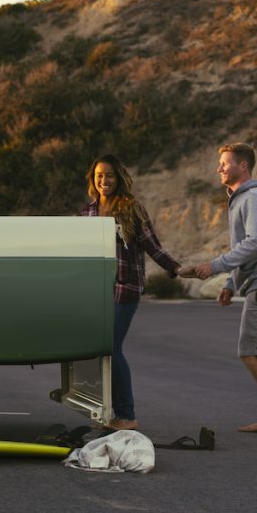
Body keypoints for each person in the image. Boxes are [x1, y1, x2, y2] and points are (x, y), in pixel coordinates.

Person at [180, 143, 257, 438]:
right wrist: (232, 284)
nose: (219, 168)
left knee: (251, 353)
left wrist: (217, 266)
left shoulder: (254, 197)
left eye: (225, 163)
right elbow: (245, 249)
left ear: (243, 166)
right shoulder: (242, 199)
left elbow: (256, 244)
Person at [81, 154, 182, 431]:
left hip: (125, 287)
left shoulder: (131, 208)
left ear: (120, 178)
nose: (104, 181)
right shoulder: (87, 212)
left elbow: (153, 246)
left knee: (112, 348)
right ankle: (109, 413)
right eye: (99, 175)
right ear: (93, 179)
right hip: (96, 290)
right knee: (102, 350)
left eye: (109, 175)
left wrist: (176, 268)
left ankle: (126, 415)